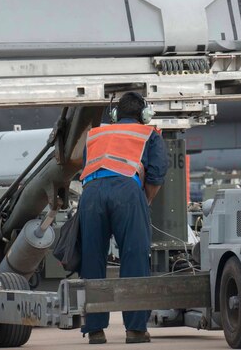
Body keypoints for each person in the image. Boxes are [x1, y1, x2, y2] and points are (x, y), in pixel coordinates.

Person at [79, 92, 168, 345]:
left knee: (92, 259)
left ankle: (95, 330)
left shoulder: (95, 134)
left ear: (115, 114)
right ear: (144, 115)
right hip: (127, 191)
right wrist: (145, 201)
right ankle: (135, 330)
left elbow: (88, 169)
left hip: (91, 193)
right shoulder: (148, 133)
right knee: (134, 256)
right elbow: (156, 174)